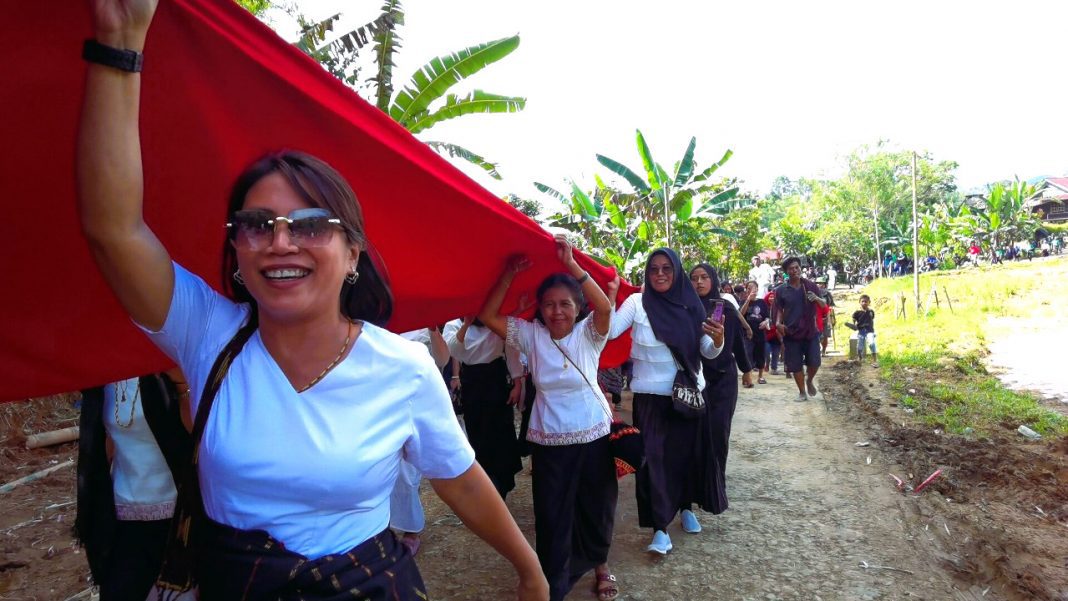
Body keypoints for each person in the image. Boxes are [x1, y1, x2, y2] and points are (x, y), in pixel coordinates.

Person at [75, 3, 548, 597]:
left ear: (353, 253)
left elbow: (459, 478)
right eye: (257, 223)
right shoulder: (205, 333)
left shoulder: (402, 368)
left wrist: (528, 567)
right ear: (238, 251)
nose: (280, 242)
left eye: (309, 224)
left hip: (370, 584)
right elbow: (113, 229)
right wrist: (121, 39)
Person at [479, 235, 620, 601]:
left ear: (577, 307)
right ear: (539, 309)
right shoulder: (530, 336)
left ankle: (600, 566)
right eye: (549, 305)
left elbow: (604, 309)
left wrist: (572, 265)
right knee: (553, 514)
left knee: (596, 509)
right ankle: (553, 583)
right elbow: (488, 316)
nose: (557, 311)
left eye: (565, 304)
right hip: (550, 441)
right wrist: (509, 274)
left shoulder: (590, 335)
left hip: (595, 438)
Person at [608, 249, 724, 555]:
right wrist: (606, 298)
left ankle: (685, 507)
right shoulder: (637, 303)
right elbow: (606, 333)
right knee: (653, 461)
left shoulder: (692, 305)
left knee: (685, 457)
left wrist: (719, 340)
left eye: (667, 269)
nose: (660, 274)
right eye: (654, 269)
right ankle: (660, 527)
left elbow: (706, 351)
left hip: (687, 396)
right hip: (650, 399)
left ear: (677, 273)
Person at [77, 372, 190, 601]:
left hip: (178, 518)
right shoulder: (100, 381)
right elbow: (100, 446)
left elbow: (198, 431)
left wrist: (182, 385)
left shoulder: (166, 368)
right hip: (124, 517)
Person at [686, 264, 751, 523]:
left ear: (713, 279)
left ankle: (716, 487)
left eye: (703, 277)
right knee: (697, 435)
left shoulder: (725, 308)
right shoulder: (685, 307)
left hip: (723, 380)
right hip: (695, 380)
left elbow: (736, 342)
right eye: (693, 278)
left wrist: (746, 369)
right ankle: (695, 487)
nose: (699, 282)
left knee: (718, 431)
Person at [443, 316, 525, 499]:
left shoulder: (493, 319)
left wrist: (517, 382)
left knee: (501, 431)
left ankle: (502, 482)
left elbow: (511, 350)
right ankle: (487, 484)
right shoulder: (453, 325)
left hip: (495, 378)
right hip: (472, 381)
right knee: (478, 433)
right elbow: (454, 350)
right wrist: (466, 325)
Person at [392, 328, 452, 557]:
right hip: (380, 399)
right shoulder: (374, 320)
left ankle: (411, 530)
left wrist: (433, 328)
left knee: (406, 475)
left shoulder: (422, 325)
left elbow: (443, 359)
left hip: (413, 404)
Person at [774, 257, 827, 401]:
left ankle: (809, 380)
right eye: (791, 268)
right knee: (795, 364)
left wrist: (816, 298)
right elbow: (778, 309)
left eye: (796, 267)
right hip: (790, 332)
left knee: (815, 361)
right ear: (786, 271)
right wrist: (778, 323)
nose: (794, 270)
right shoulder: (781, 290)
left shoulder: (810, 286)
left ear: (800, 268)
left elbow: (823, 305)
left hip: (810, 331)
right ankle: (802, 392)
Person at [741, 281, 770, 384]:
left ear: (757, 289)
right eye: (749, 288)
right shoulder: (744, 301)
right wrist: (748, 300)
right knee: (747, 354)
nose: (751, 290)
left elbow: (767, 316)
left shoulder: (762, 302)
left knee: (761, 355)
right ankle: (748, 377)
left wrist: (766, 321)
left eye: (753, 288)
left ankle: (760, 376)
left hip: (760, 333)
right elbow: (741, 314)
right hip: (747, 334)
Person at [850, 295, 878, 367]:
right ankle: (860, 359)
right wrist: (855, 323)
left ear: (869, 302)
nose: (864, 303)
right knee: (859, 347)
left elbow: (871, 319)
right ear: (859, 302)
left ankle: (875, 360)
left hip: (869, 331)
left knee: (872, 343)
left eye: (866, 301)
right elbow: (854, 320)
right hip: (861, 331)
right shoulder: (857, 312)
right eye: (862, 301)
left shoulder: (871, 312)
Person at [764, 289, 783, 375]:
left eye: (773, 297)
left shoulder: (780, 308)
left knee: (776, 353)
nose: (772, 298)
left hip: (776, 335)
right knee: (767, 352)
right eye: (770, 296)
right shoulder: (764, 308)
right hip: (766, 335)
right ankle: (766, 364)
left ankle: (774, 368)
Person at [818, 287, 835, 357]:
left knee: (825, 336)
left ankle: (823, 350)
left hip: (825, 317)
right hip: (816, 319)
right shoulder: (811, 294)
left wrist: (829, 320)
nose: (819, 284)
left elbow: (831, 307)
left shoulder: (828, 294)